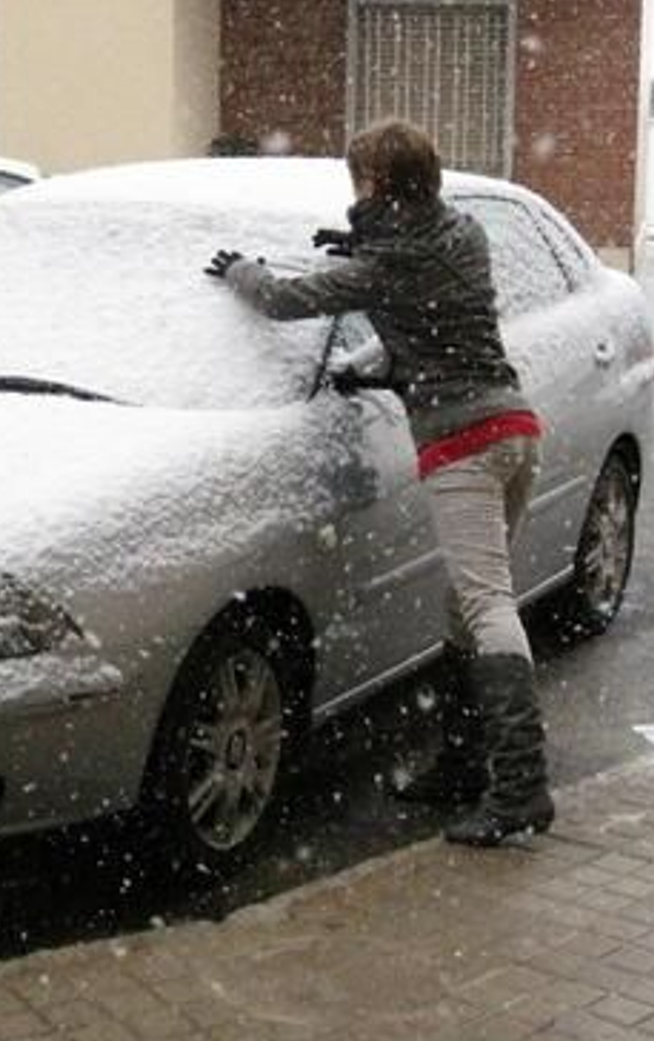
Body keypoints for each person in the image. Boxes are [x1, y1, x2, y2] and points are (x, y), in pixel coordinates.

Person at [203, 119, 554, 846]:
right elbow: (425, 281)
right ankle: (462, 765)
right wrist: (360, 244)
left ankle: (521, 786)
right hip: (515, 430)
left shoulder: (386, 268)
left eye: (359, 176)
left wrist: (240, 270)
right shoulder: (464, 235)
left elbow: (281, 300)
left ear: (377, 184)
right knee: (468, 607)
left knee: (486, 605)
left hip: (463, 444)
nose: (353, 186)